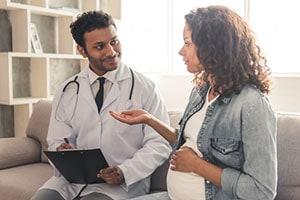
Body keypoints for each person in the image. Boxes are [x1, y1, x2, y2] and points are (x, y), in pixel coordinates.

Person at [110, 6, 277, 200]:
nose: (181, 51)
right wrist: (148, 120)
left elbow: (261, 192)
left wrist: (197, 166)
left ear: (212, 47)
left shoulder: (252, 105)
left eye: (187, 43)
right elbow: (187, 143)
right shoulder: (201, 91)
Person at [31, 10, 171, 200]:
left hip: (121, 184)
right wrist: (63, 149)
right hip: (71, 181)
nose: (111, 51)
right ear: (82, 50)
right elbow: (56, 139)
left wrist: (125, 171)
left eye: (114, 41)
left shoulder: (145, 88)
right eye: (99, 46)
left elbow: (159, 143)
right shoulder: (67, 90)